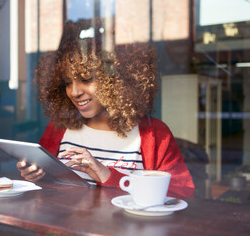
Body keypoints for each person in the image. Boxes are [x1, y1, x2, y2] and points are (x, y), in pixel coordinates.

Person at [17, 20, 195, 198]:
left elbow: (181, 194)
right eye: (67, 82)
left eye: (86, 79)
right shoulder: (59, 127)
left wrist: (109, 176)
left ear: (117, 80)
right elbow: (48, 187)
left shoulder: (154, 134)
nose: (75, 92)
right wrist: (35, 176)